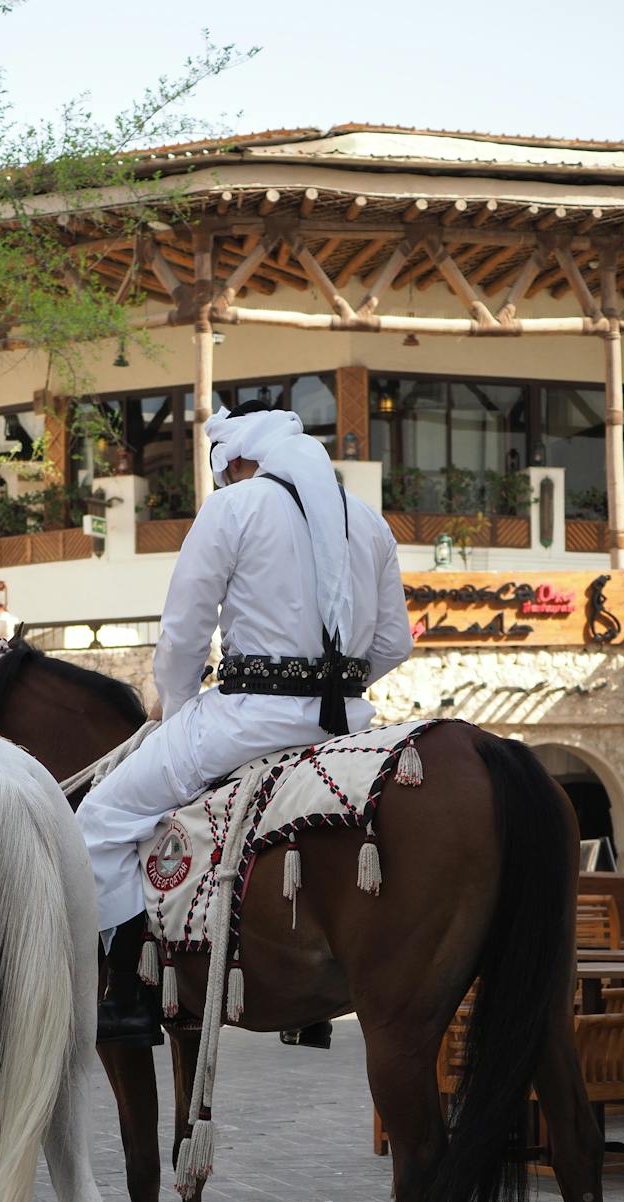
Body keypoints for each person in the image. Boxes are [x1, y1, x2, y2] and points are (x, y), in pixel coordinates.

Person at [80, 400, 414, 1044]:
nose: (228, 482)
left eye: (225, 472)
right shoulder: (368, 521)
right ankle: (308, 1003)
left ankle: (127, 996)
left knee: (97, 822)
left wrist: (173, 711)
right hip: (346, 731)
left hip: (245, 721)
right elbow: (395, 643)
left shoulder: (234, 507)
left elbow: (183, 633)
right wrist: (335, 692)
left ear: (236, 461)